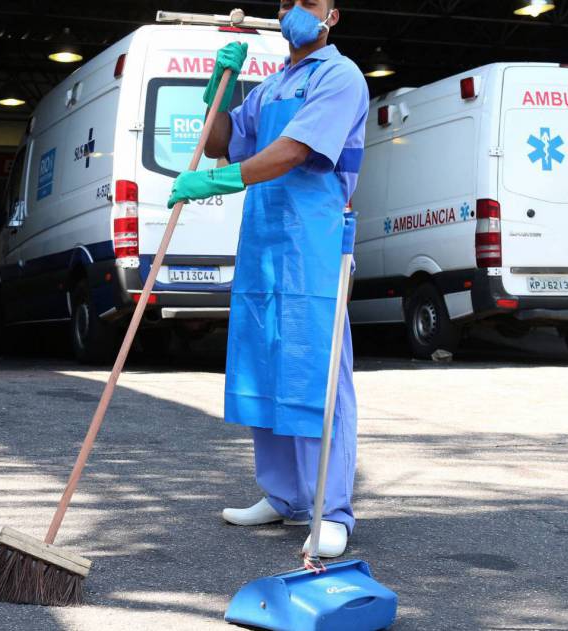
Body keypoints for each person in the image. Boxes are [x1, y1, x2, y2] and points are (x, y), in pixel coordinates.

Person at [166, 0, 368, 557]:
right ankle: (283, 496)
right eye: (285, 2)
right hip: (263, 243)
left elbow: (295, 151)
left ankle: (331, 510)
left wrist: (218, 183)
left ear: (333, 15)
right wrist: (222, 87)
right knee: (265, 361)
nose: (293, 11)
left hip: (314, 243)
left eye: (308, 2)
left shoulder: (339, 76)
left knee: (316, 371)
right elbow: (220, 141)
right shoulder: (271, 86)